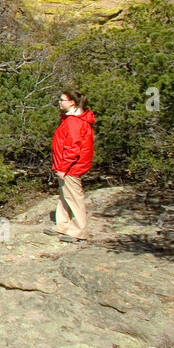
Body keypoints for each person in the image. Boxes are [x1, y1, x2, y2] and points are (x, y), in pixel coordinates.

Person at [47, 91, 95, 242]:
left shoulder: (74, 122)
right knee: (64, 194)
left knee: (74, 196)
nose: (59, 102)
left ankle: (79, 230)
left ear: (72, 102)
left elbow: (73, 148)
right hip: (67, 165)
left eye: (62, 100)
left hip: (71, 167)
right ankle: (62, 224)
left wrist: (63, 168)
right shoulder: (71, 119)